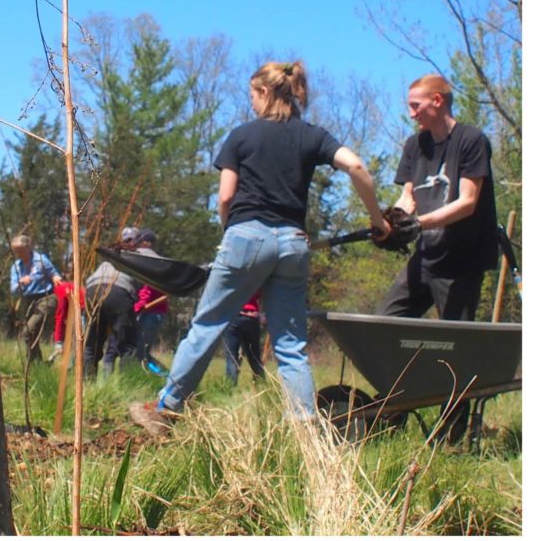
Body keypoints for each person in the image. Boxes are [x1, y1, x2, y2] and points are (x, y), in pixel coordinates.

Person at [129, 60, 390, 434]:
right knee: (290, 343)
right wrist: (378, 219)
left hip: (245, 237)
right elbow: (358, 166)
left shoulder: (242, 136)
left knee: (207, 325)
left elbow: (225, 197)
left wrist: (230, 232)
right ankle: (304, 429)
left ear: (265, 93)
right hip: (293, 244)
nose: (250, 102)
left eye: (252, 95)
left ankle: (166, 410)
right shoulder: (312, 135)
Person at [378, 73, 499, 441]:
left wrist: (419, 223)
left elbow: (467, 202)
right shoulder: (416, 146)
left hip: (462, 262)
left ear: (437, 101)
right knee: (385, 327)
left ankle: (453, 427)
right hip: (426, 257)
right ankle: (394, 407)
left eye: (415, 105)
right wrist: (393, 222)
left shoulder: (470, 140)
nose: (411, 113)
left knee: (454, 347)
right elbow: (408, 198)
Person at [83, 231, 140, 377]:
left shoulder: (109, 257)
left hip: (92, 290)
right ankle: (127, 387)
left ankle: (86, 384)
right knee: (127, 343)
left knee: (92, 342)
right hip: (118, 291)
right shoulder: (137, 256)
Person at [9, 233, 63, 360]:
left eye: (20, 250)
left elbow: (54, 274)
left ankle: (34, 362)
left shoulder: (41, 260)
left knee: (28, 331)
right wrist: (22, 281)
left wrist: (58, 280)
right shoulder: (16, 267)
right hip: (28, 301)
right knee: (31, 334)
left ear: (29, 247)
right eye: (16, 251)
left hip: (46, 298)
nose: (18, 254)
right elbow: (13, 288)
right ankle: (36, 363)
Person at [132, 229, 170, 371]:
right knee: (141, 351)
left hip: (152, 313)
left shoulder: (151, 262)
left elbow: (149, 292)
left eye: (140, 241)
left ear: (147, 243)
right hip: (150, 312)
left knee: (141, 352)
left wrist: (137, 309)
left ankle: (164, 376)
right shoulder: (157, 262)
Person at [223, 293, 266, 386]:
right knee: (255, 358)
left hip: (234, 316)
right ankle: (262, 387)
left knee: (231, 358)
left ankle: (229, 389)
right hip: (252, 318)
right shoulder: (255, 279)